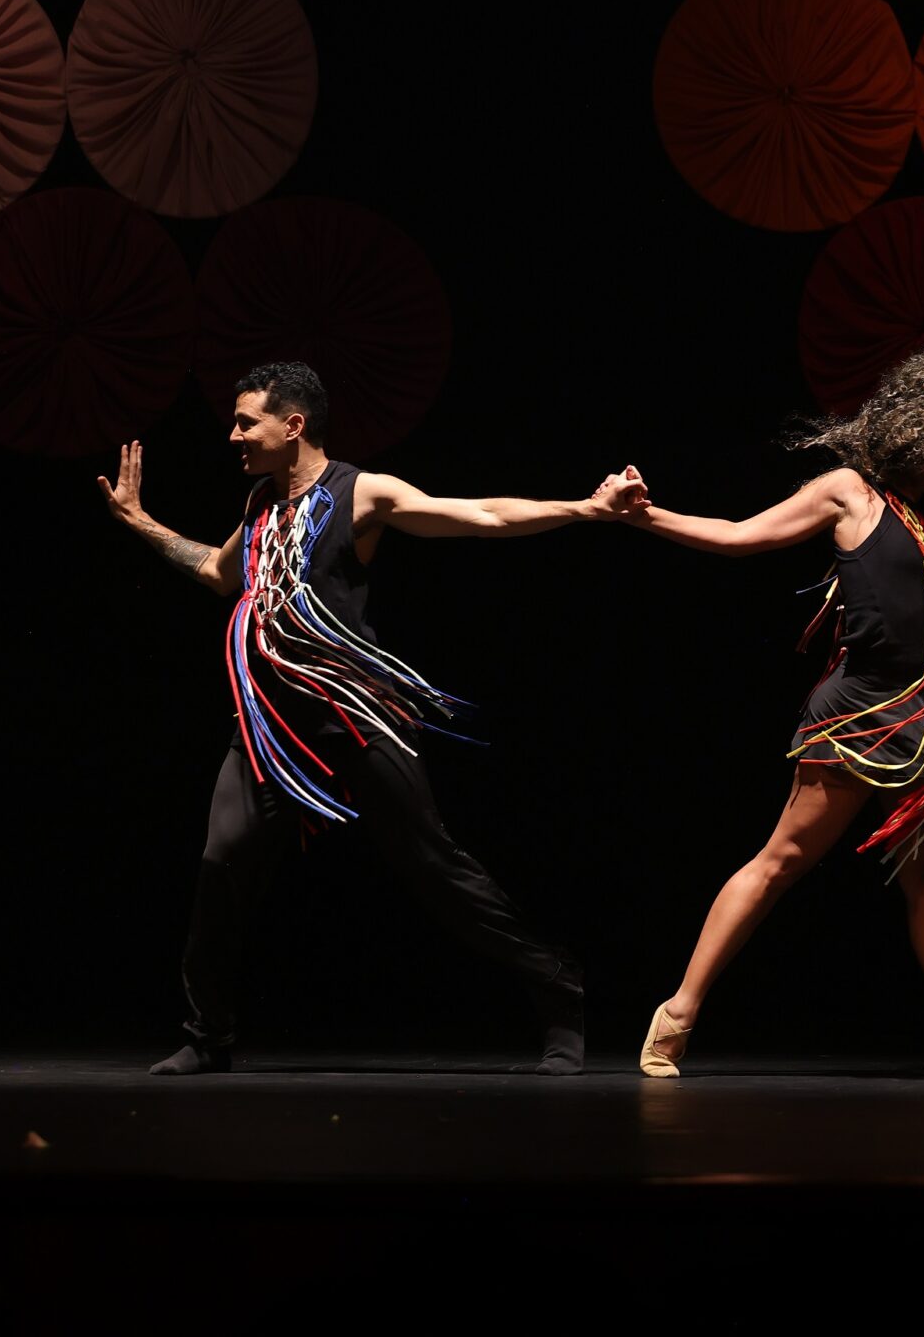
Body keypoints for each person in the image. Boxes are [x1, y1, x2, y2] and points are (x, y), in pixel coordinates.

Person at [100, 361, 632, 1076]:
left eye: (245, 421)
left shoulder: (361, 493)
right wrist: (140, 522)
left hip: (353, 718)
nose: (232, 435)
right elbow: (219, 575)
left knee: (435, 868)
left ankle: (557, 986)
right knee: (220, 863)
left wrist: (586, 509)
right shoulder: (260, 504)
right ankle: (208, 1035)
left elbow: (480, 515)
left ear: (293, 426)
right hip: (268, 729)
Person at [618, 341, 924, 1081]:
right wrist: (645, 516)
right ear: (911, 431)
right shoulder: (850, 491)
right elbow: (739, 537)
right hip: (858, 716)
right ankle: (678, 1014)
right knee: (783, 859)